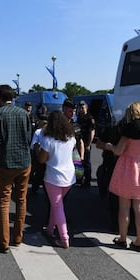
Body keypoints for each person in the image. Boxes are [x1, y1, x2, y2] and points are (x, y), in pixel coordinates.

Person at [0, 85, 32, 253]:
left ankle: (3, 242)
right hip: (24, 161)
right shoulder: (24, 114)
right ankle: (18, 238)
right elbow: (28, 137)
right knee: (21, 200)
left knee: (4, 202)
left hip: (6, 163)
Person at [96, 101, 140, 252]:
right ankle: (139, 241)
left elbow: (119, 150)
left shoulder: (129, 130)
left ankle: (122, 238)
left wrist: (108, 146)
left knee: (124, 207)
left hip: (127, 170)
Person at [36, 111, 76, 249]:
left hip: (53, 177)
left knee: (58, 206)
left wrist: (38, 149)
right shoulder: (71, 138)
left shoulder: (48, 140)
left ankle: (64, 237)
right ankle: (50, 228)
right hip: (69, 177)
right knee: (57, 205)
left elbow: (41, 159)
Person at [62, 98, 85, 182]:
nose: (72, 114)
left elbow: (80, 142)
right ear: (64, 110)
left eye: (74, 112)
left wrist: (81, 157)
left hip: (72, 157)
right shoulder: (57, 125)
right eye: (70, 111)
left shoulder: (75, 125)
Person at [77, 100, 95, 188]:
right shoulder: (79, 117)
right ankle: (80, 179)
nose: (81, 109)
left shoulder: (89, 118)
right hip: (79, 142)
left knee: (86, 163)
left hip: (86, 142)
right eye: (80, 108)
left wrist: (89, 144)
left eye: (83, 107)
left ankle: (87, 181)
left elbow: (92, 132)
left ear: (86, 108)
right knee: (79, 161)